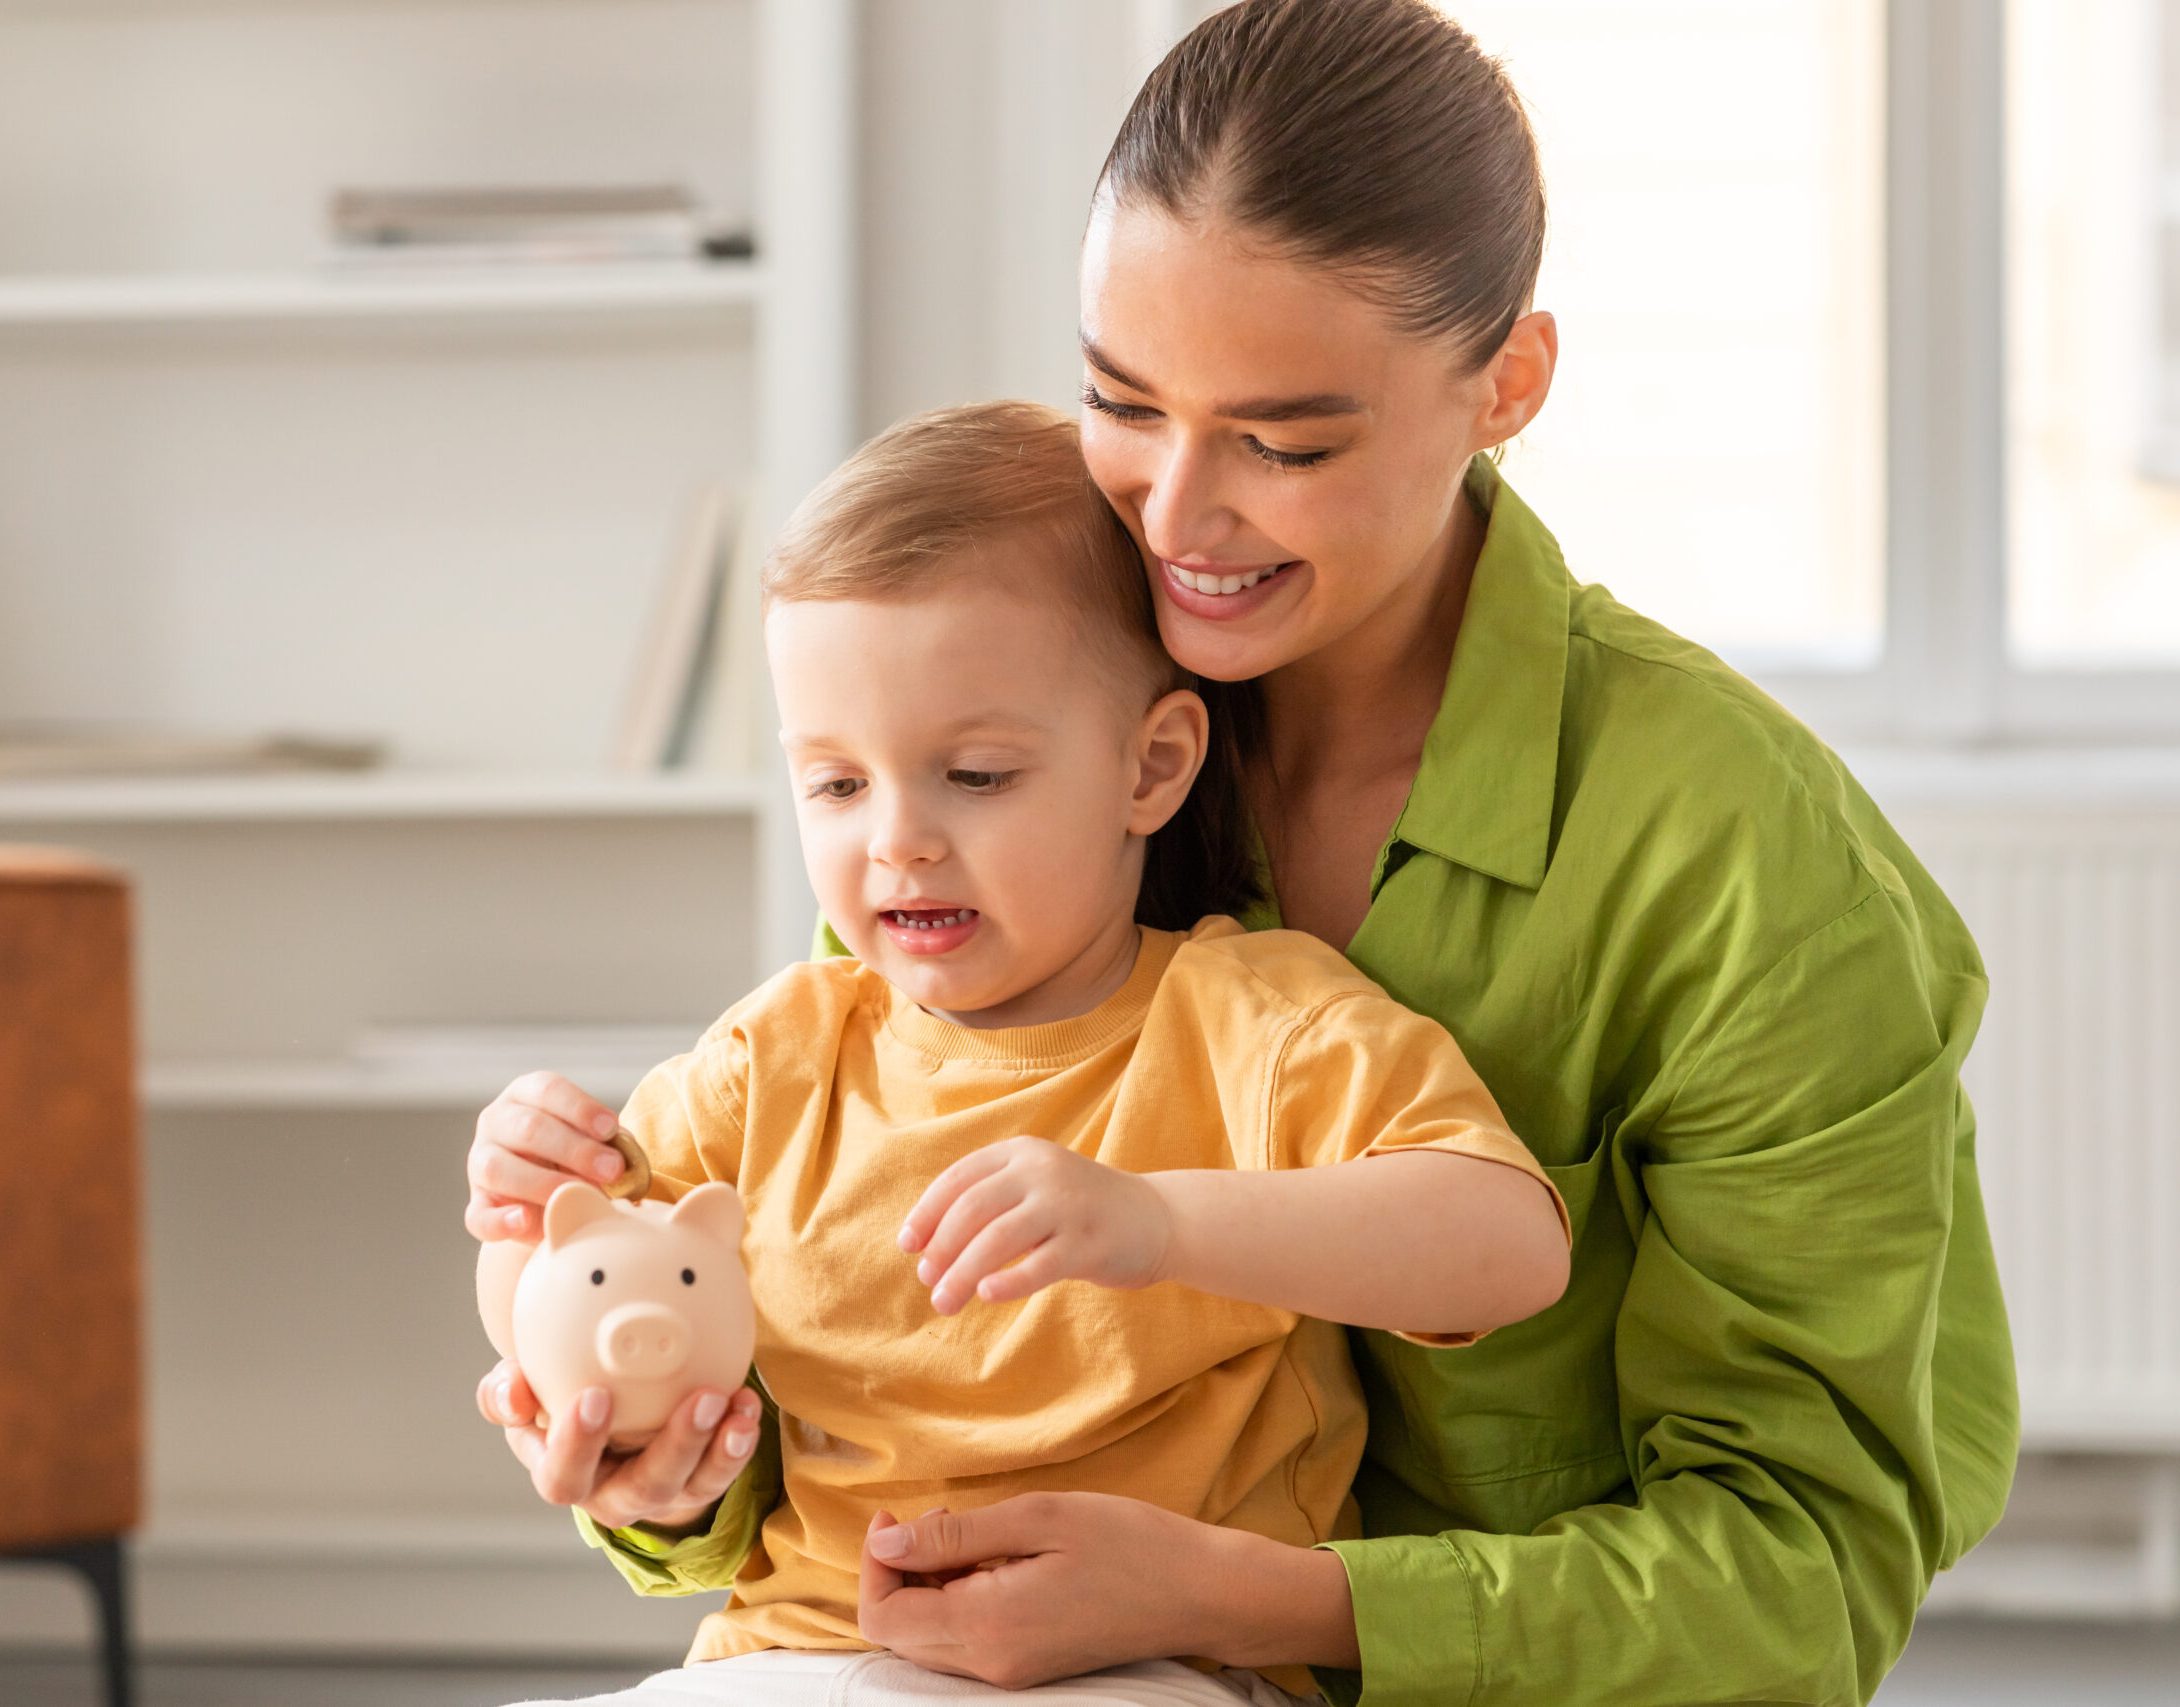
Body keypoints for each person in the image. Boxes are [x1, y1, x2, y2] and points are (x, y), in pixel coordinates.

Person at [477, 2, 2023, 1702]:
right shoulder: (1023, 696)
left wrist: (1239, 1599)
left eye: (1283, 443)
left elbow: (1804, 1578)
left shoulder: (1744, 868)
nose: (1172, 519)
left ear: (1505, 384)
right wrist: (664, 1471)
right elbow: (856, 1312)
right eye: (1120, 404)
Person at [466, 401, 1572, 1706]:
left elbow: (1510, 1247)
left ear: (1150, 769)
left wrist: (1154, 1225)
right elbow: (574, 1298)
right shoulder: (779, 1056)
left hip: (1161, 1666)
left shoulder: (1249, 1023)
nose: (898, 842)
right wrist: (531, 1222)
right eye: (834, 783)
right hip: (800, 1656)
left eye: (975, 775)